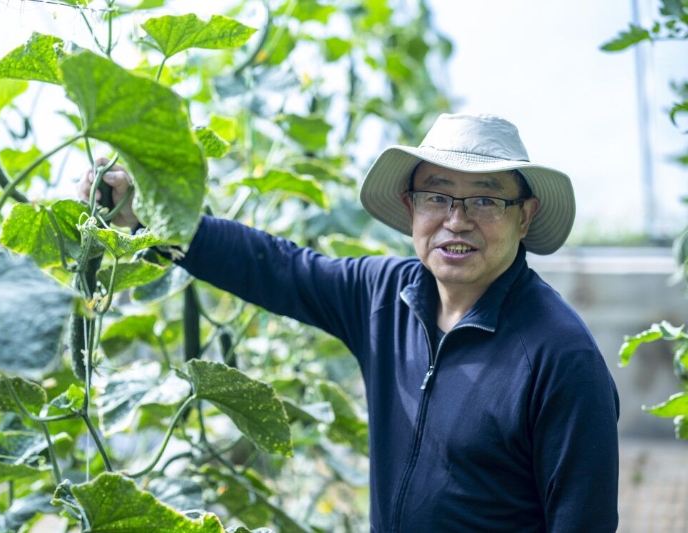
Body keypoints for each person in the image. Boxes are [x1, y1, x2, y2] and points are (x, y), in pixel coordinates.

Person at [78, 113, 620, 532]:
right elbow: (278, 269)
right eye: (437, 196)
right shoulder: (385, 296)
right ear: (411, 207)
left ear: (524, 216)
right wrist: (150, 216)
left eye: (484, 200)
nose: (457, 220)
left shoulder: (560, 358)